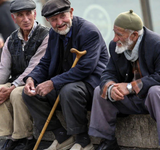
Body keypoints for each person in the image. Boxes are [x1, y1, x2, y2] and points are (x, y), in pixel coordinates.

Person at [22, 0, 109, 149]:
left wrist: (53, 83)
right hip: (66, 83)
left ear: (72, 12)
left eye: (63, 16)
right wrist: (32, 78)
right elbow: (45, 62)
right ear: (48, 21)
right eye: (54, 20)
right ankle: (62, 136)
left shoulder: (89, 32)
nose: (59, 22)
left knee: (69, 90)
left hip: (91, 84)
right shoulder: (53, 33)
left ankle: (83, 141)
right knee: (31, 93)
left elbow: (85, 68)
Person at [88, 10, 160, 150]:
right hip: (129, 100)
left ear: (134, 35)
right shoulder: (115, 46)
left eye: (119, 34)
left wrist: (131, 87)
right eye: (114, 33)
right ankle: (107, 142)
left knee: (155, 91)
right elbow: (108, 72)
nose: (114, 39)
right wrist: (112, 87)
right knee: (100, 90)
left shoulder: (158, 44)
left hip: (152, 100)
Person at [0, 0, 49, 149]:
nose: (25, 19)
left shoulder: (46, 35)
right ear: (14, 19)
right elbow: (3, 67)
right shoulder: (11, 39)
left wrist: (13, 86)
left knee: (16, 94)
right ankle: (11, 137)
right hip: (17, 81)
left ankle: (26, 136)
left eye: (28, 14)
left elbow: (35, 66)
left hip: (38, 81)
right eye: (20, 15)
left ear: (35, 14)